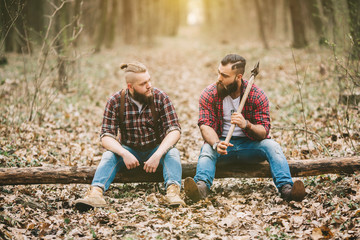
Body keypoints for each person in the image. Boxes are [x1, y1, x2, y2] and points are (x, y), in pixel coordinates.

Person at [184, 54, 306, 203]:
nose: (219, 78)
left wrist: (246, 125)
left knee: (272, 146)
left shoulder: (256, 95)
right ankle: (200, 188)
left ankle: (287, 189)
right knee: (207, 150)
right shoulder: (210, 94)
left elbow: (263, 132)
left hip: (250, 146)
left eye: (224, 75)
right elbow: (205, 126)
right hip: (223, 145)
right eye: (218, 73)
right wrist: (216, 144)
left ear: (238, 77)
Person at [75, 62, 185, 211]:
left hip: (155, 149)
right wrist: (124, 153)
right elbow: (106, 136)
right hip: (129, 151)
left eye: (149, 80)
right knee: (108, 155)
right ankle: (95, 193)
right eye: (143, 83)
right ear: (130, 87)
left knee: (173, 153)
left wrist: (158, 154)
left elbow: (174, 130)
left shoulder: (160, 97)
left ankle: (173, 193)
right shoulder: (115, 101)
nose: (149, 86)